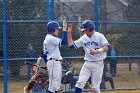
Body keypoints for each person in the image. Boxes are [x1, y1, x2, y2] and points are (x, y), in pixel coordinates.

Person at [67, 20, 110, 93]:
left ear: (90, 29)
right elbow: (72, 46)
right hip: (87, 63)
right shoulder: (84, 38)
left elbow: (107, 47)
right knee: (80, 83)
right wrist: (69, 33)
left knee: (95, 88)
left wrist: (97, 51)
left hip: (98, 64)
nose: (84, 32)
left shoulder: (99, 36)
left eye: (85, 30)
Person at [43, 21, 67, 93]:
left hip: (53, 63)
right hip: (53, 62)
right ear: (52, 29)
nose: (58, 31)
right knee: (54, 87)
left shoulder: (48, 38)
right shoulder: (50, 38)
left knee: (55, 86)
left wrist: (48, 64)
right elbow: (64, 42)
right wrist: (65, 30)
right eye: (57, 29)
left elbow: (44, 55)